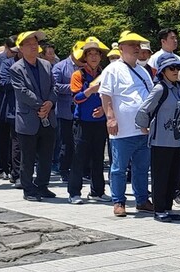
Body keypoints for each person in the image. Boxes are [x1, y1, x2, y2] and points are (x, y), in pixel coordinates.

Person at [99, 31, 157, 216]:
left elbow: (150, 96)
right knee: (119, 168)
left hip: (142, 129)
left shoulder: (142, 70)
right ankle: (118, 201)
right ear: (121, 48)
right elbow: (105, 95)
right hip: (122, 130)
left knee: (141, 168)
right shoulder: (112, 69)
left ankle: (141, 200)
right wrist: (110, 118)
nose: (136, 48)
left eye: (138, 45)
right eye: (132, 45)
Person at [135, 53, 180, 220]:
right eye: (171, 68)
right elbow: (144, 109)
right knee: (160, 176)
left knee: (174, 175)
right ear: (163, 71)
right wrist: (143, 126)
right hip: (161, 140)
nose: (175, 71)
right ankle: (159, 209)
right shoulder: (160, 88)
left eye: (177, 68)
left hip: (178, 140)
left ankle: (168, 207)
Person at [10, 31, 59, 202]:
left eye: (35, 43)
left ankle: (42, 186)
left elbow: (54, 87)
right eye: (28, 43)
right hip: (28, 119)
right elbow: (22, 92)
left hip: (48, 117)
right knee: (28, 157)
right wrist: (41, 105)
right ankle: (28, 188)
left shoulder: (46, 65)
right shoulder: (16, 68)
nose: (33, 46)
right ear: (21, 49)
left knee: (46, 156)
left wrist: (50, 103)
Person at [68, 37, 112, 205]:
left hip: (99, 122)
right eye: (90, 54)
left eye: (97, 54)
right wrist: (90, 90)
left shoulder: (104, 73)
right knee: (79, 158)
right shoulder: (78, 74)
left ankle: (98, 191)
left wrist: (103, 108)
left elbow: (110, 96)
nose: (94, 57)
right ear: (84, 57)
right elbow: (76, 98)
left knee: (98, 157)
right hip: (82, 122)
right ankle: (74, 192)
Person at [0, 36, 20, 182]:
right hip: (0, 103)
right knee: (2, 137)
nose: (15, 53)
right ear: (6, 48)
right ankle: (3, 168)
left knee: (15, 138)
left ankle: (15, 168)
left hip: (15, 104)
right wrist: (5, 85)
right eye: (12, 51)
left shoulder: (20, 60)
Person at [52, 41, 81, 182]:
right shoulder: (60, 67)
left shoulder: (88, 67)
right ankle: (63, 169)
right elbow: (55, 86)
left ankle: (79, 169)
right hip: (65, 111)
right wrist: (73, 87)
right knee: (66, 143)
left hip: (82, 111)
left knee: (79, 143)